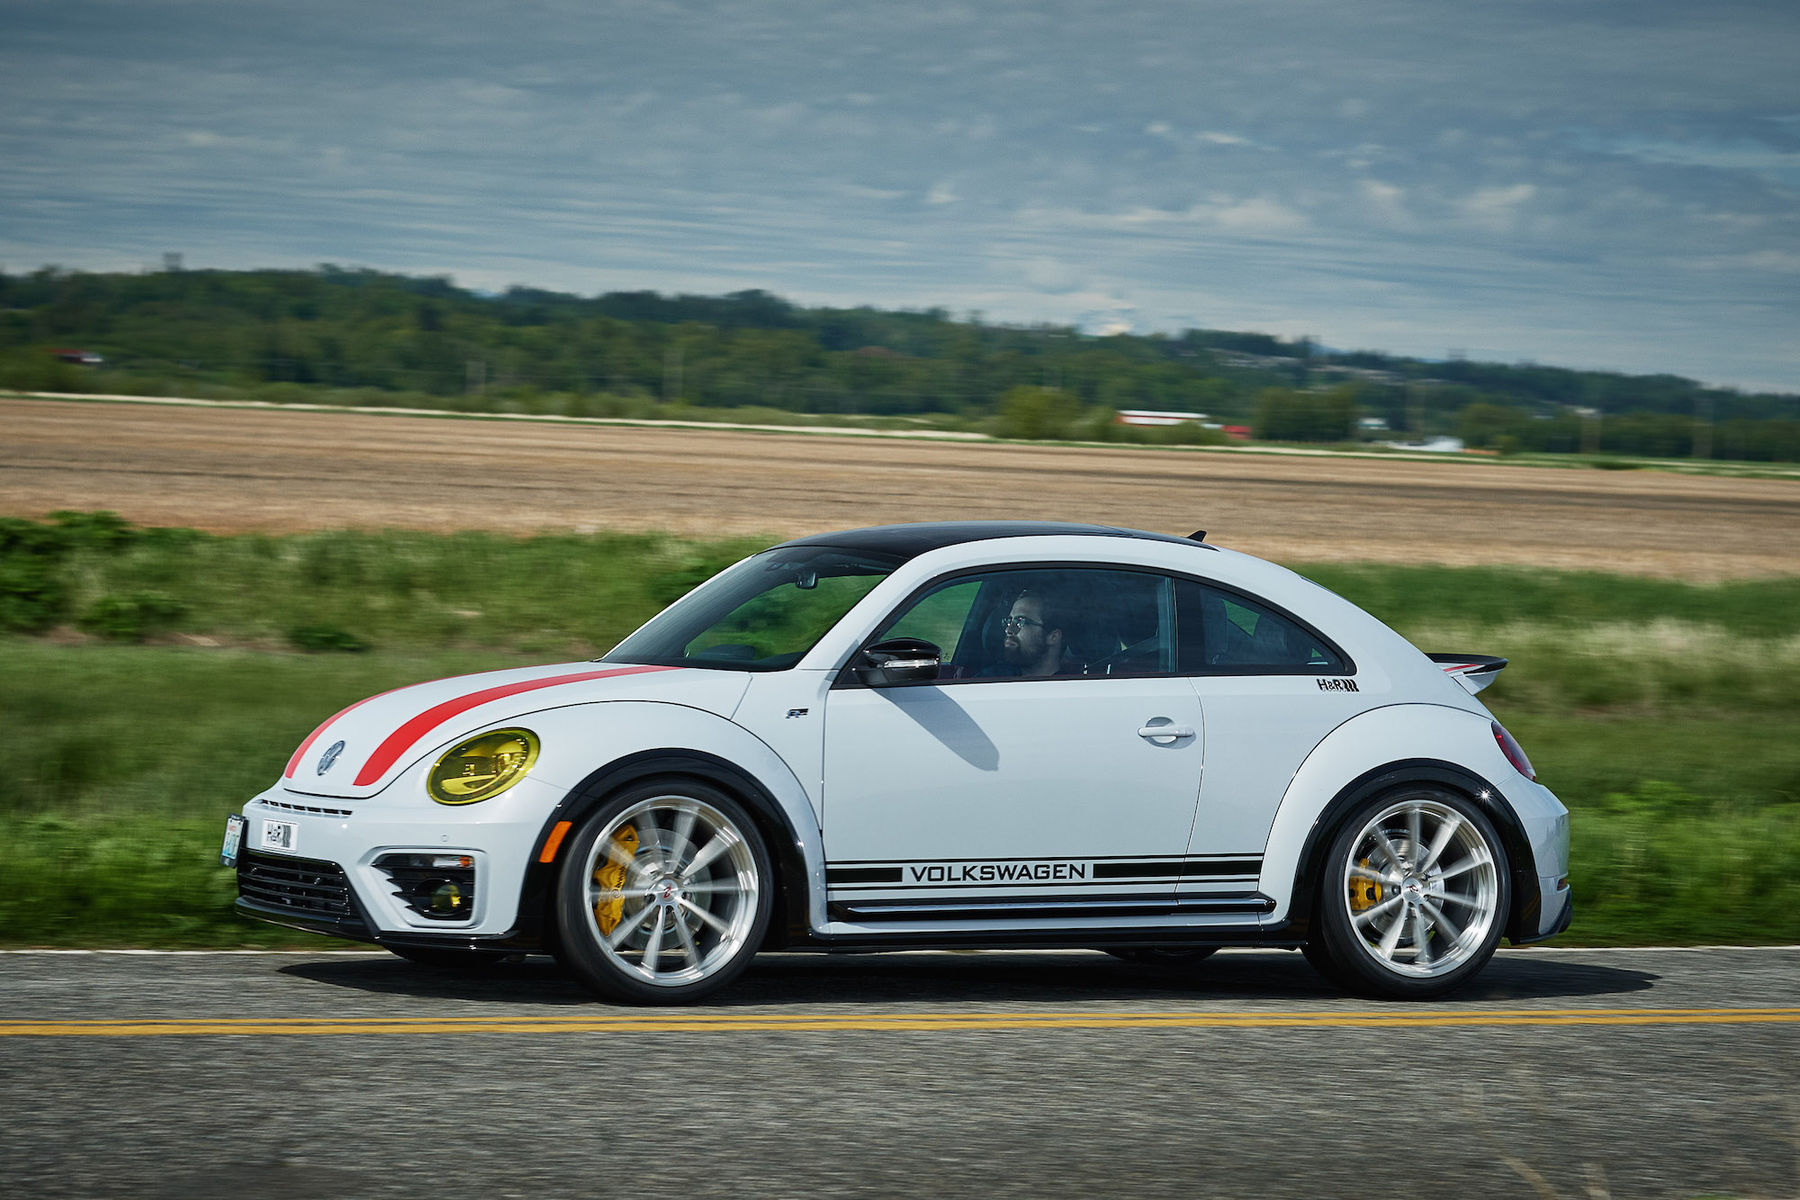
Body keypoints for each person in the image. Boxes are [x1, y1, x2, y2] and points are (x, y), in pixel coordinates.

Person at [998, 588, 1084, 677]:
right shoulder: (992, 679)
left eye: (1020, 622)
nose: (1009, 630)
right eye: (1009, 621)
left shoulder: (1073, 687)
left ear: (1053, 636)